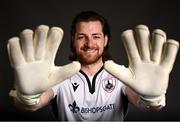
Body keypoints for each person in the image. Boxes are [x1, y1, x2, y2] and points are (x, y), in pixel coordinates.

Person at [7, 11, 179, 121]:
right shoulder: (57, 76)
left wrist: (152, 98)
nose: (89, 43)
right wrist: (28, 97)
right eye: (82, 37)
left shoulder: (123, 75)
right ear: (73, 40)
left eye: (96, 36)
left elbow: (146, 106)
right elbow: (31, 106)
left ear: (105, 40)